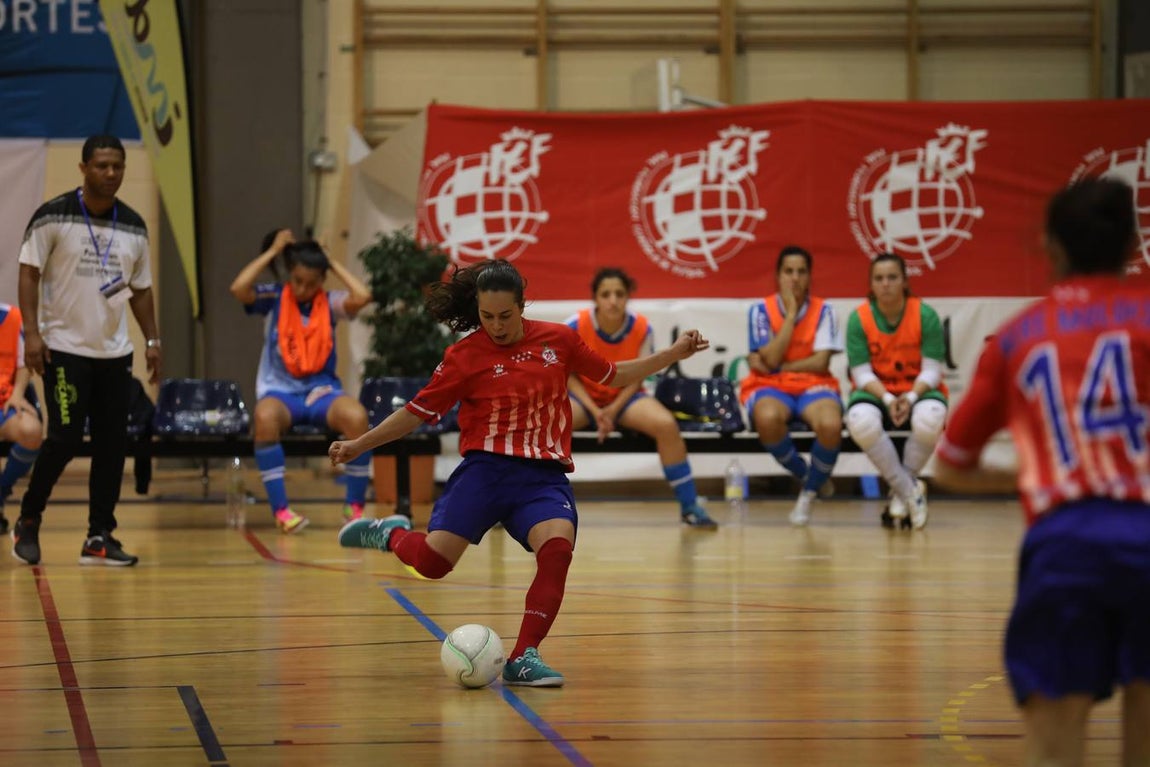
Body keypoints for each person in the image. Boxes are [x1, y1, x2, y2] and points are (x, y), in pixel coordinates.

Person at [330, 260, 710, 687]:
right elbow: (415, 413)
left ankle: (524, 656)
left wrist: (673, 354)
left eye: (505, 316)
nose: (496, 326)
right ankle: (390, 533)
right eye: (487, 316)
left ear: (522, 305)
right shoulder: (463, 356)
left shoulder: (559, 340)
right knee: (432, 564)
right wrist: (358, 444)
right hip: (485, 472)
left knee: (557, 548)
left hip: (541, 478)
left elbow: (613, 373)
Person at [934, 178, 1150, 767]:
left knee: (1055, 746)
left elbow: (950, 467)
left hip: (1065, 544)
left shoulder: (1018, 337)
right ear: (1133, 245)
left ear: (1050, 246)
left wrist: (1037, 480)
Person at [13, 134, 161, 567]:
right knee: (64, 438)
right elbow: (28, 274)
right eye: (102, 166)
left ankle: (99, 535)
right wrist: (33, 336)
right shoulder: (52, 216)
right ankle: (29, 518)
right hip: (63, 349)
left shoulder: (133, 224)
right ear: (84, 168)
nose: (111, 173)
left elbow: (141, 289)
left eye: (118, 166)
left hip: (114, 354)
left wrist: (152, 340)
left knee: (113, 444)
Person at [229, 229, 373, 533]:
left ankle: (354, 509)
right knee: (264, 417)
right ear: (289, 275)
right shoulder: (274, 297)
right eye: (297, 281)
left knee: (357, 417)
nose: (303, 289)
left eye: (311, 283)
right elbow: (239, 288)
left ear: (321, 281)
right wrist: (272, 253)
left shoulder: (330, 303)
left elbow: (362, 296)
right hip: (281, 393)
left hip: (322, 393)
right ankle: (282, 512)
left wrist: (330, 261)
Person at [565, 267, 717, 528]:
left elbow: (638, 377)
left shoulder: (641, 327)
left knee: (666, 425)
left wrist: (611, 411)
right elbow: (567, 374)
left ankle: (690, 507)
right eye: (606, 294)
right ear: (595, 298)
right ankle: (517, 502)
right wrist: (595, 410)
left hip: (625, 397)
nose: (613, 300)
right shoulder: (575, 325)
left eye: (619, 294)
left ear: (628, 297)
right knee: (548, 424)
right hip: (584, 398)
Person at [739, 245, 842, 526]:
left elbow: (820, 363)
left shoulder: (826, 311)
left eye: (801, 272)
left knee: (831, 426)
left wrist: (779, 366)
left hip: (813, 384)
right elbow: (769, 358)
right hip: (770, 386)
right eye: (788, 272)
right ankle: (809, 476)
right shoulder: (760, 310)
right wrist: (791, 314)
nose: (795, 278)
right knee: (767, 417)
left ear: (809, 277)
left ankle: (807, 494)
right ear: (778, 276)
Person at [844, 253, 947, 530]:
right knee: (860, 422)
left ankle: (901, 493)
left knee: (931, 419)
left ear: (905, 281)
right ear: (871, 284)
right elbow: (861, 374)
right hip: (877, 392)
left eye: (892, 277)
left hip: (917, 389)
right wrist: (889, 399)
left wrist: (911, 397)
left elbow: (932, 370)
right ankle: (910, 492)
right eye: (879, 278)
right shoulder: (859, 319)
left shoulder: (925, 315)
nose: (886, 284)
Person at [0, 303, 42, 535]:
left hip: (4, 403)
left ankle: (1, 490)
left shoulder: (13, 317)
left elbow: (24, 363)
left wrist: (17, 394)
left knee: (31, 431)